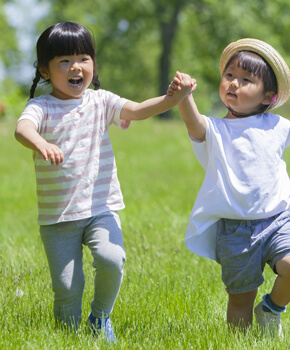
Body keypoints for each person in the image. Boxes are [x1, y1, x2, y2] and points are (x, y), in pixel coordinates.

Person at [14, 22, 194, 342]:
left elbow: (138, 111)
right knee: (68, 288)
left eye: (83, 58)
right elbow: (22, 129)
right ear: (45, 70)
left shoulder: (100, 101)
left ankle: (100, 317)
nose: (76, 67)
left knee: (113, 258)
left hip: (100, 206)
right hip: (58, 217)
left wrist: (174, 98)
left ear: (93, 64)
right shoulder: (41, 106)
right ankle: (67, 338)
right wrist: (41, 144)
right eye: (64, 61)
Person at [168, 38, 290, 338]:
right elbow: (192, 122)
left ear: (267, 96)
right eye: (229, 76)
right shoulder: (215, 129)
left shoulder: (275, 124)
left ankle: (272, 308)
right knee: (239, 302)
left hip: (278, 219)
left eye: (246, 80)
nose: (234, 83)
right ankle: (242, 343)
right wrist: (185, 96)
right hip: (235, 231)